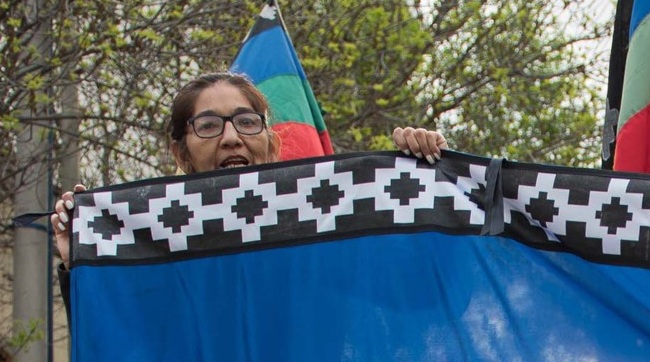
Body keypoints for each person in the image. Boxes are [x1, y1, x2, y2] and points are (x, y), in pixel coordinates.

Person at [51, 71, 448, 265]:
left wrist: (428, 182)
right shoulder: (156, 245)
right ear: (181, 152)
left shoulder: (327, 224)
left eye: (246, 122)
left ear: (271, 143)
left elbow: (415, 294)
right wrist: (83, 265)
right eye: (207, 125)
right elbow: (124, 348)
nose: (229, 138)